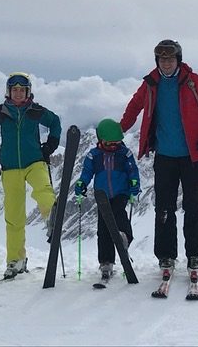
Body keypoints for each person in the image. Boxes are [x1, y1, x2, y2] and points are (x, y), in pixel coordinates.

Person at [120, 39, 198, 273]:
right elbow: (134, 106)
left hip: (193, 155)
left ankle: (195, 253)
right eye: (162, 59)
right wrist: (119, 130)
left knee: (194, 206)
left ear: (178, 60)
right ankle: (166, 256)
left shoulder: (193, 82)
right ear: (157, 61)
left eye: (170, 59)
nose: (166, 63)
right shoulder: (150, 84)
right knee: (164, 208)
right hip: (165, 155)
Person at [0, 72, 62, 279]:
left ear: (28, 92)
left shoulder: (35, 111)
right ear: (9, 92)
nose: (18, 93)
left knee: (43, 188)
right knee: (14, 217)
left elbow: (55, 122)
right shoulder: (0, 112)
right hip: (10, 167)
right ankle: (16, 260)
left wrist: (50, 146)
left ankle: (52, 216)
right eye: (14, 90)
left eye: (22, 90)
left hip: (35, 160)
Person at [74, 118, 141, 279]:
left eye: (116, 143)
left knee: (119, 215)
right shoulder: (93, 156)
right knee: (103, 228)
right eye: (109, 143)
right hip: (102, 196)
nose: (113, 146)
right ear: (100, 140)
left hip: (120, 193)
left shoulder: (124, 154)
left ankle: (124, 237)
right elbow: (87, 173)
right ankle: (106, 261)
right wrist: (82, 183)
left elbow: (133, 170)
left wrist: (134, 185)